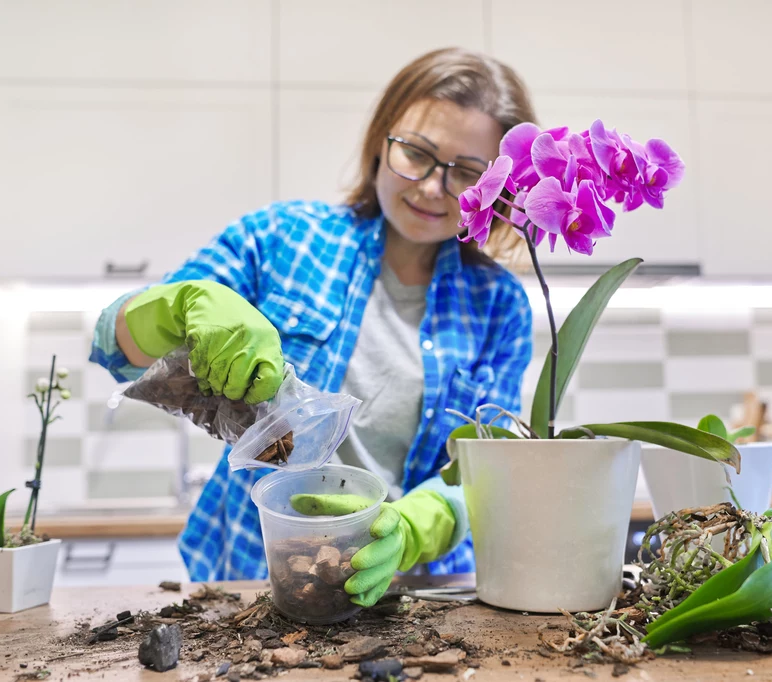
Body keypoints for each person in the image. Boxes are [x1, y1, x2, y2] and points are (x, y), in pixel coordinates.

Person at [90, 47, 535, 606]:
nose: (429, 187)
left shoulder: (501, 306)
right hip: (252, 580)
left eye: (466, 173)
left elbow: (490, 466)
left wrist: (418, 525)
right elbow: (113, 344)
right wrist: (181, 305)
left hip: (416, 596)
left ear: (496, 190)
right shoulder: (281, 239)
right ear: (381, 140)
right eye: (417, 154)